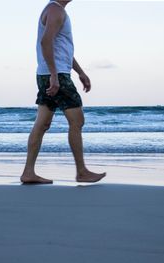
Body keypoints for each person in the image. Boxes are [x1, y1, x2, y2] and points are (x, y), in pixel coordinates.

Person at [20, 0, 106, 184]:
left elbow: (62, 49)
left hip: (48, 73)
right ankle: (81, 171)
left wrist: (80, 72)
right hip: (56, 74)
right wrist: (55, 75)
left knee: (42, 124)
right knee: (77, 121)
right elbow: (45, 42)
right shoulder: (55, 10)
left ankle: (28, 172)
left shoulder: (55, 10)